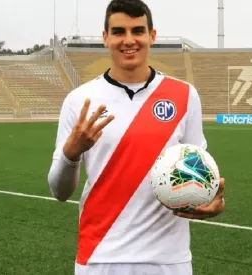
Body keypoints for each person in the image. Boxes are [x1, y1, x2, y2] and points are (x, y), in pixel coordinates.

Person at [47, 0, 226, 274]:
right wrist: (71, 155)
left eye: (137, 31)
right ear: (105, 38)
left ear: (152, 36)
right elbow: (59, 192)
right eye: (118, 31)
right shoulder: (79, 100)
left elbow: (197, 170)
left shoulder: (184, 95)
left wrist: (209, 199)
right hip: (100, 257)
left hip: (169, 259)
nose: (129, 40)